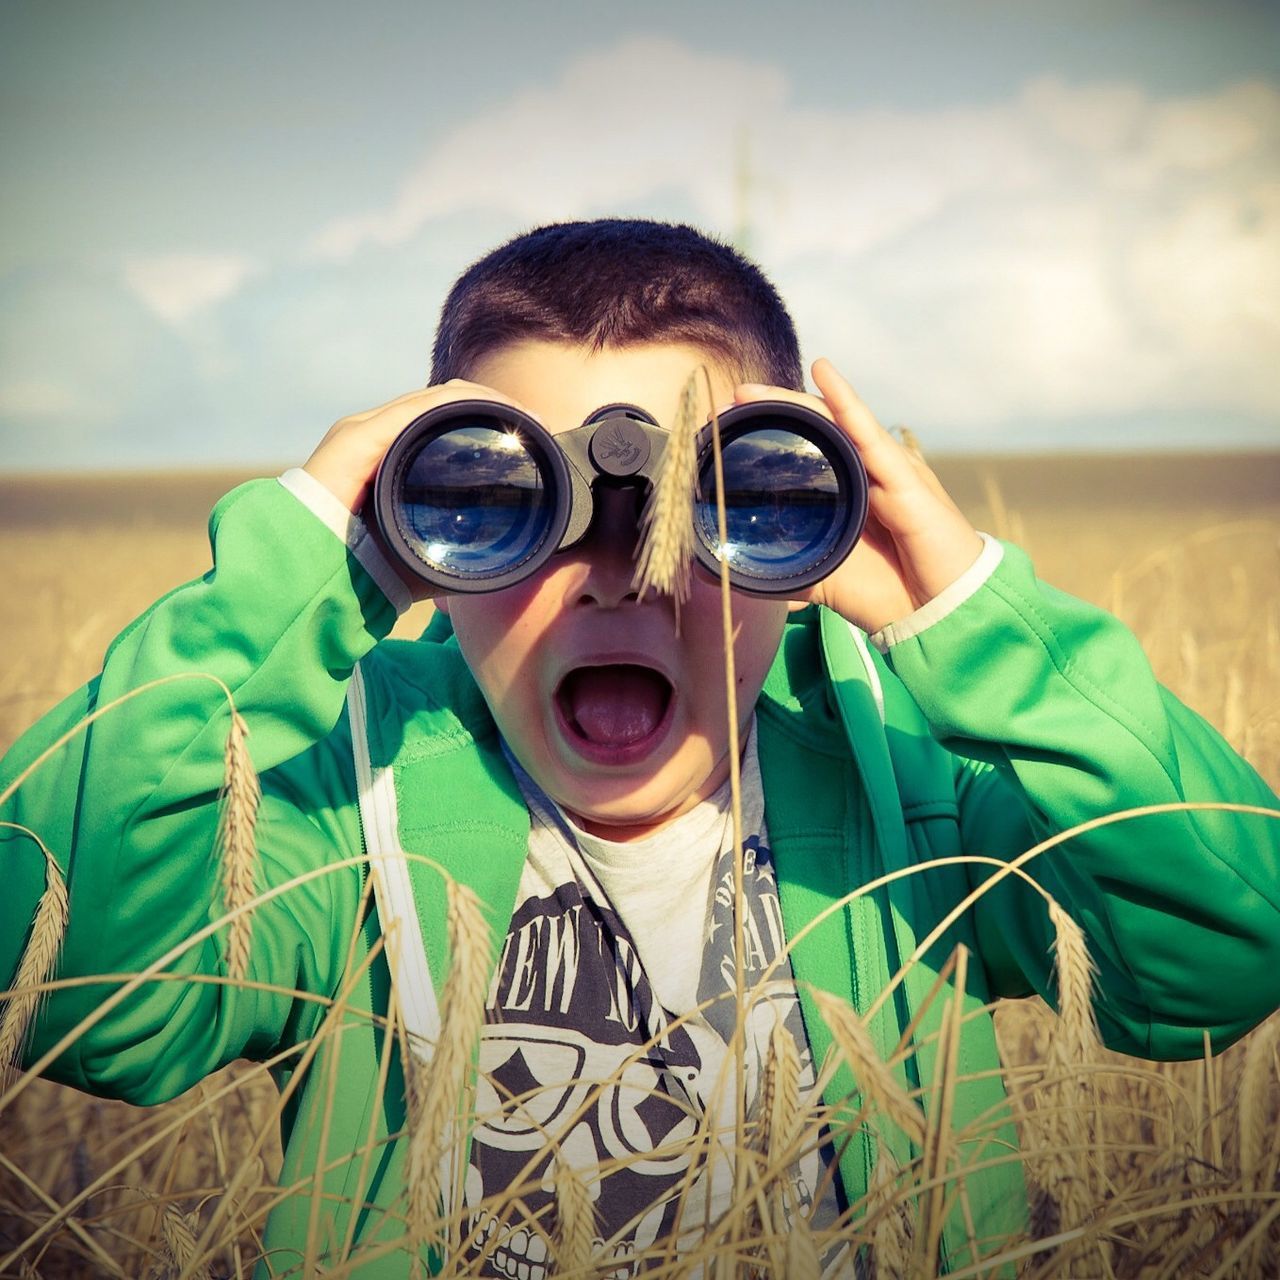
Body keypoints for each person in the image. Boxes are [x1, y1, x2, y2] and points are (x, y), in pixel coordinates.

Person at [2, 218, 1278, 1279]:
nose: (621, 581)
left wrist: (963, 615)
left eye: (732, 504)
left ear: (812, 527)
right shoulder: (354, 805)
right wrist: (304, 564)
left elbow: (1220, 958)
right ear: (417, 538)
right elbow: (87, 996)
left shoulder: (910, 808)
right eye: (501, 501)